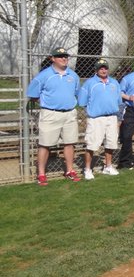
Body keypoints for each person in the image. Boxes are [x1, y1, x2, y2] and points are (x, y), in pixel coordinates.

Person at [27, 47, 82, 186]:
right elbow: (33, 95)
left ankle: (69, 171)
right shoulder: (44, 75)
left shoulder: (73, 75)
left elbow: (77, 92)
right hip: (50, 114)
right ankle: (41, 174)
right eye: (59, 56)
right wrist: (48, 103)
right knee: (45, 144)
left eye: (65, 56)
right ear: (52, 58)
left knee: (69, 143)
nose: (63, 59)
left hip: (69, 113)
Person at [78, 58, 123, 180]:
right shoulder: (89, 83)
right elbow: (82, 101)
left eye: (105, 68)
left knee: (111, 143)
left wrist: (119, 118)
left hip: (112, 117)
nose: (103, 70)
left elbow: (119, 102)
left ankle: (108, 166)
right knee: (92, 144)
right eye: (101, 68)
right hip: (96, 118)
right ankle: (87, 169)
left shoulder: (114, 83)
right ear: (96, 70)